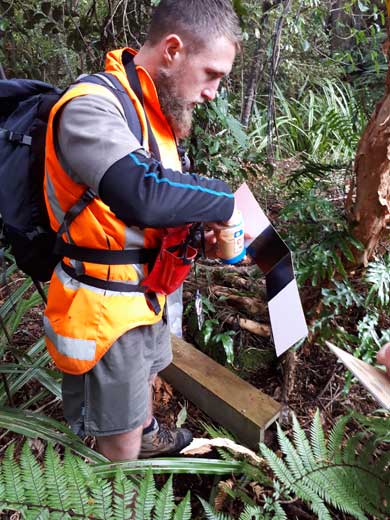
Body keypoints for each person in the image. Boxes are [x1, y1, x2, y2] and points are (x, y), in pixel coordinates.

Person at [43, 0, 243, 461]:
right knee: (120, 441)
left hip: (144, 298)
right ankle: (123, 488)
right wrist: (225, 200)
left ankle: (147, 430)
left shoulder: (155, 113)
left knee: (145, 384)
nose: (214, 92)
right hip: (103, 309)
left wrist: (201, 239)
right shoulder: (91, 107)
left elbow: (154, 212)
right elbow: (141, 193)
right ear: (172, 50)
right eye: (211, 73)